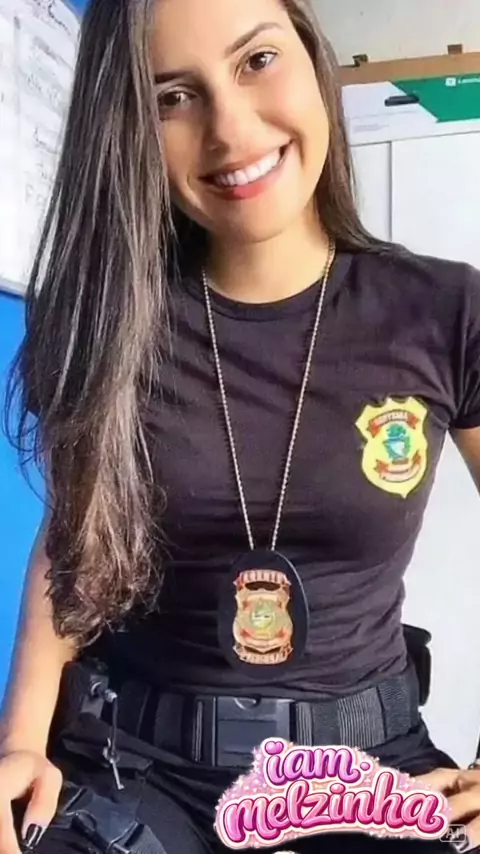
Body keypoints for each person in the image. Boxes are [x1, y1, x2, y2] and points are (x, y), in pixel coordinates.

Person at [3, 0, 480, 851]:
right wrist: (20, 742)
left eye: (257, 61)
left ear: (312, 56)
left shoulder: (449, 311)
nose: (229, 130)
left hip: (368, 767)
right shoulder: (103, 322)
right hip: (135, 765)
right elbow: (72, 540)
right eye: (171, 97)